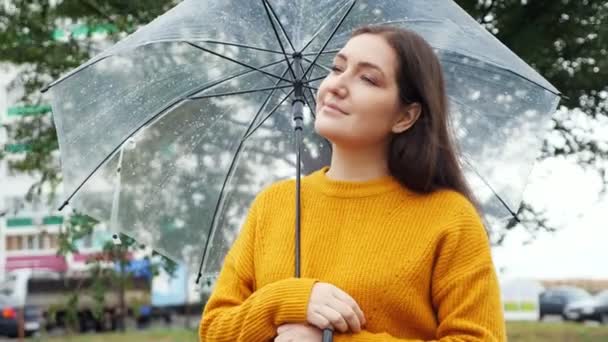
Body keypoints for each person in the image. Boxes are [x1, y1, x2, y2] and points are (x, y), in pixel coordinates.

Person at [199, 25, 506, 341]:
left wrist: (332, 339)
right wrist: (287, 300)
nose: (336, 85)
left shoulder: (450, 218)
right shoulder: (274, 205)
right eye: (337, 68)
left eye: (368, 79)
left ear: (405, 116)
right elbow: (214, 330)